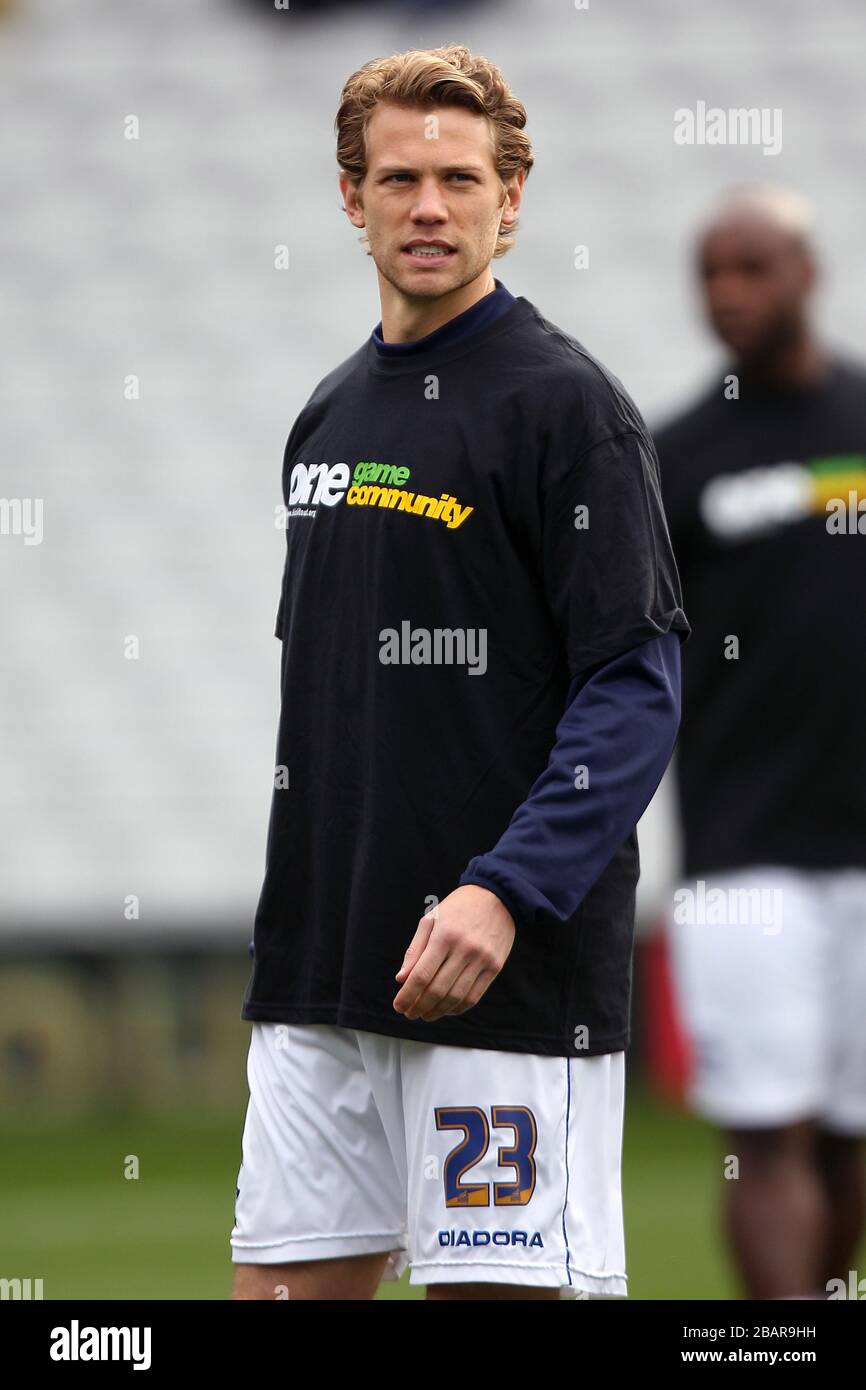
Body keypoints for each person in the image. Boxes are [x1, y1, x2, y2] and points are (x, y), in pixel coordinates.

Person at [230, 43, 689, 1301]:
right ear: (348, 197)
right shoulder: (327, 415)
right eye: (394, 179)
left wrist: (503, 890)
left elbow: (636, 682)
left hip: (499, 980)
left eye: (456, 178)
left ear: (511, 197)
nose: (426, 207)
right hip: (325, 970)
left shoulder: (564, 407)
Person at [654, 184, 866, 1300]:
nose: (727, 292)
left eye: (751, 267)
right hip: (743, 847)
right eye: (709, 272)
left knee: (847, 1140)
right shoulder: (673, 457)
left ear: (806, 273)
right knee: (764, 1129)